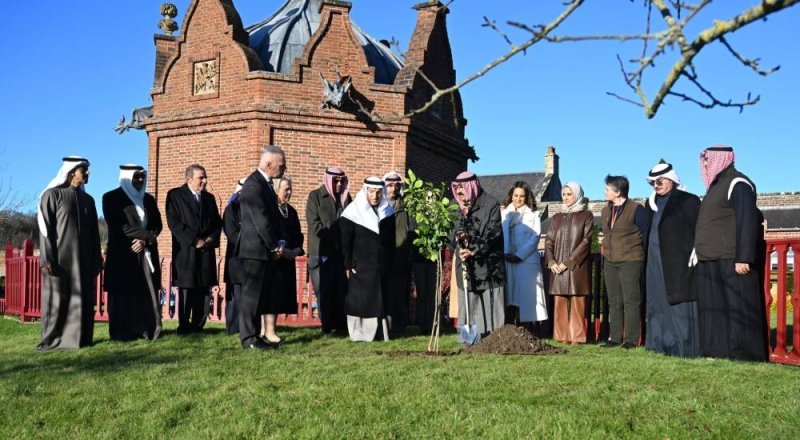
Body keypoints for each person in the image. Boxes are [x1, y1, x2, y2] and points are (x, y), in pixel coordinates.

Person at [694, 146, 768, 361]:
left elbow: (747, 221)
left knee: (739, 307)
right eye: (703, 159)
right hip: (709, 258)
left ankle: (746, 355)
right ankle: (716, 351)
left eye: (708, 159)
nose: (705, 163)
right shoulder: (714, 188)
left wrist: (744, 257)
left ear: (721, 158)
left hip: (732, 258)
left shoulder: (738, 183)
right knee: (713, 308)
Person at [36, 156, 102, 351]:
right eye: (84, 170)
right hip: (59, 260)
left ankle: (81, 339)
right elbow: (45, 229)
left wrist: (96, 260)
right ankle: (53, 340)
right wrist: (47, 258)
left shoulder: (88, 200)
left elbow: (94, 234)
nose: (88, 173)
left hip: (84, 261)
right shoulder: (52, 195)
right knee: (58, 300)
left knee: (82, 299)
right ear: (72, 172)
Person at [643, 162, 701, 358]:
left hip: (678, 260)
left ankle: (682, 347)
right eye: (653, 182)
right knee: (656, 301)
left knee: (679, 303)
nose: (656, 185)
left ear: (671, 180)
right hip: (654, 259)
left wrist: (696, 251)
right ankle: (658, 344)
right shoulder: (650, 204)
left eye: (660, 181)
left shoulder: (688, 200)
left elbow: (698, 229)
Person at [102, 164, 163, 341]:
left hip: (146, 251)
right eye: (136, 177)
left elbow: (157, 224)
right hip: (123, 253)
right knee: (122, 294)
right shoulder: (111, 198)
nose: (140, 180)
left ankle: (148, 330)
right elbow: (118, 226)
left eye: (142, 176)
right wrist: (146, 236)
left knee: (147, 292)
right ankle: (121, 333)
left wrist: (146, 240)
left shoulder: (148, 199)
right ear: (127, 178)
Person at [238, 145, 287, 350]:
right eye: (281, 165)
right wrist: (274, 246)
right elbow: (261, 221)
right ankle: (248, 338)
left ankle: (256, 335)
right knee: (251, 297)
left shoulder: (264, 184)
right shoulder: (253, 185)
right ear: (268, 164)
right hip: (255, 251)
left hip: (262, 251)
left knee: (260, 297)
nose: (284, 169)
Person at [165, 164, 222, 335]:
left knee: (204, 290)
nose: (204, 181)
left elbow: (217, 223)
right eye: (200, 178)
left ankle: (198, 326)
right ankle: (184, 327)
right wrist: (194, 240)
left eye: (205, 177)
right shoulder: (175, 195)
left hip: (206, 251)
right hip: (186, 251)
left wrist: (211, 239)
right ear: (189, 179)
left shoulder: (209, 198)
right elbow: (174, 222)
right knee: (186, 289)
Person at [450, 171, 505, 341]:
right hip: (465, 266)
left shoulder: (491, 204)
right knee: (468, 307)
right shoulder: (454, 206)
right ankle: (469, 341)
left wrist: (473, 250)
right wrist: (457, 239)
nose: (459, 193)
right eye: (457, 190)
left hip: (489, 267)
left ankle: (494, 342)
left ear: (471, 187)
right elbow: (449, 232)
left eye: (462, 189)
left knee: (491, 308)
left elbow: (493, 234)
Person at [340, 177, 395, 342]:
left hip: (381, 266)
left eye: (378, 192)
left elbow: (391, 242)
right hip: (360, 266)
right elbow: (345, 242)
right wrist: (348, 264)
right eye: (371, 191)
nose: (375, 196)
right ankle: (360, 334)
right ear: (365, 191)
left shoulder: (388, 212)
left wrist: (389, 263)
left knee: (380, 299)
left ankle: (381, 333)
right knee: (361, 300)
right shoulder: (352, 212)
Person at [545, 182, 594, 345]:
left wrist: (568, 262)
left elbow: (586, 241)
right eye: (564, 194)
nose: (565, 197)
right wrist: (551, 261)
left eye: (569, 194)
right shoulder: (556, 218)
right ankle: (562, 336)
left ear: (577, 195)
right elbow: (549, 241)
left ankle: (577, 337)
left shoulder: (586, 216)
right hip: (557, 266)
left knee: (577, 300)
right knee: (559, 301)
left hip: (576, 266)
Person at [601, 175, 646, 349]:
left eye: (607, 189)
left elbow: (645, 234)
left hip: (631, 260)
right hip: (610, 260)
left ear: (618, 192)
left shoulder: (636, 209)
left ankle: (631, 340)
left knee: (631, 301)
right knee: (614, 300)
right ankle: (615, 337)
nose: (604, 192)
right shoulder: (606, 211)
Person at [306, 167, 352, 333]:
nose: (338, 184)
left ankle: (340, 325)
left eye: (341, 181)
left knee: (340, 289)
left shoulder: (346, 198)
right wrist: (333, 240)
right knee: (323, 290)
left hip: (340, 254)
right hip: (321, 252)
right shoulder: (315, 196)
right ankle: (326, 326)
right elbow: (314, 223)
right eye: (335, 181)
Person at [260, 175, 304, 344]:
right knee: (271, 296)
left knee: (279, 296)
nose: (289, 192)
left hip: (287, 260)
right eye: (286, 189)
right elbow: (267, 232)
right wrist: (280, 250)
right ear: (276, 190)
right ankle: (268, 331)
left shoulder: (291, 211)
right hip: (274, 259)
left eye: (291, 189)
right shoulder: (270, 210)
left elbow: (297, 234)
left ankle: (268, 330)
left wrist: (296, 249)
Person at [501, 181, 547, 331]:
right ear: (511, 196)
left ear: (527, 198)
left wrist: (519, 255)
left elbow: (535, 237)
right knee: (509, 298)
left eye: (521, 196)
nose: (518, 199)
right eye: (515, 195)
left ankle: (524, 332)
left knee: (526, 298)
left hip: (525, 261)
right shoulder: (504, 214)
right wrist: (506, 254)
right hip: (508, 260)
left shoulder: (533, 214)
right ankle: (508, 331)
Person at [383, 171, 412, 333]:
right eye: (390, 185)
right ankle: (386, 326)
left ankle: (400, 326)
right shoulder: (380, 205)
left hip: (401, 255)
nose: (393, 189)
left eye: (396, 185)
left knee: (400, 293)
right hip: (384, 255)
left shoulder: (405, 205)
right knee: (385, 293)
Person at [222, 178, 246, 335]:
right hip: (236, 260)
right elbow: (232, 234)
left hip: (252, 260)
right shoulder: (231, 210)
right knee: (236, 296)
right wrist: (252, 241)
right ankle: (234, 328)